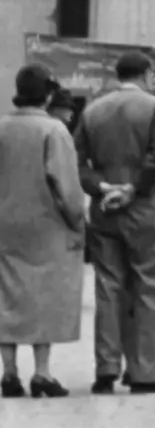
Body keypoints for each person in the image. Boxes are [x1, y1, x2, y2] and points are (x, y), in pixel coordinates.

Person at [75, 51, 155, 394]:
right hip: (145, 206)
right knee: (150, 287)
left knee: (108, 287)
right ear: (147, 74)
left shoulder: (92, 110)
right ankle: (143, 372)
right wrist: (133, 189)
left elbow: (77, 162)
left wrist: (102, 187)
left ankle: (106, 368)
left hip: (104, 208)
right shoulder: (154, 107)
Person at [0, 63, 87, 397]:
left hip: (6, 227)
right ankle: (42, 373)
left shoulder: (3, 126)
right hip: (47, 227)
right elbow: (66, 186)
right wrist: (77, 221)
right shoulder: (53, 131)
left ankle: (8, 373)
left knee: (7, 297)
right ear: (49, 94)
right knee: (44, 297)